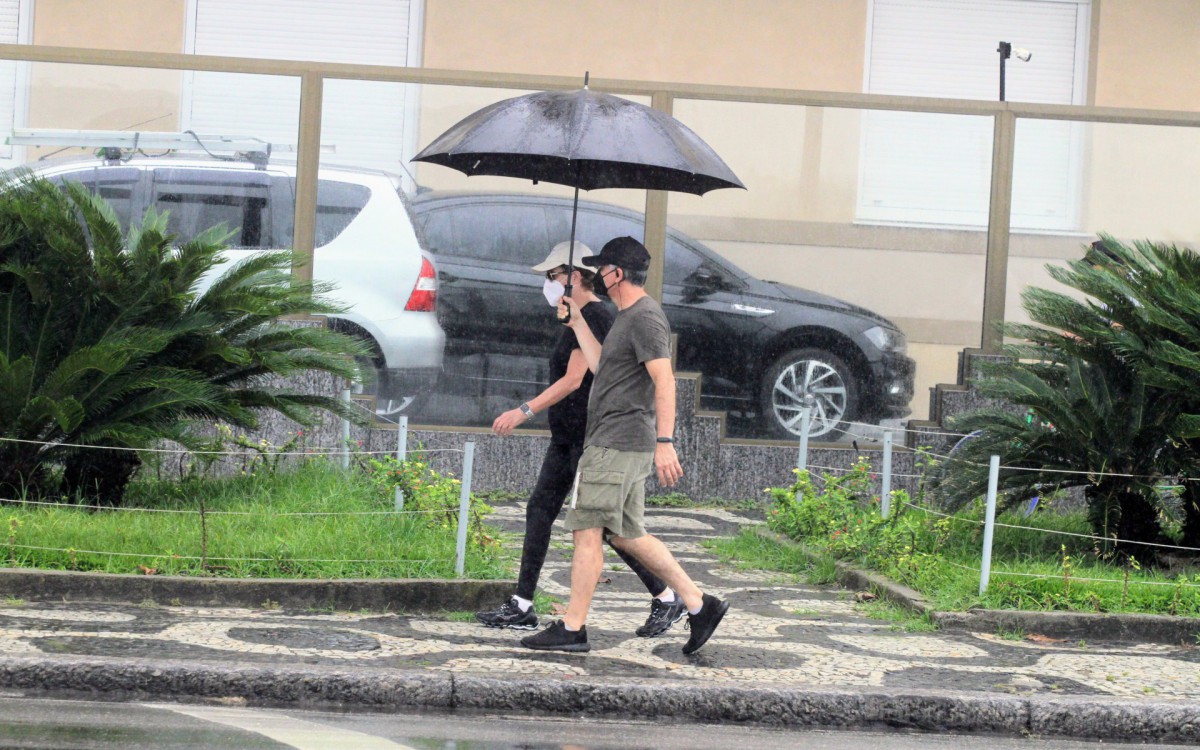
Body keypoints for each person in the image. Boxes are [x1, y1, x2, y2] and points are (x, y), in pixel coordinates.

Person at [521, 236, 729, 655]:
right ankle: (699, 604)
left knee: (586, 530)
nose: (598, 275)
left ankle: (573, 627)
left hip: (616, 443)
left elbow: (664, 379)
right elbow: (601, 366)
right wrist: (577, 321)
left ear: (617, 272)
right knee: (627, 535)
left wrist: (666, 441)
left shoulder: (645, 318)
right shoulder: (625, 317)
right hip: (619, 442)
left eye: (603, 269)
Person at [475, 240, 688, 639]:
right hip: (573, 435)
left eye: (554, 276)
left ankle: (665, 598)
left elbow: (580, 378)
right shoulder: (590, 316)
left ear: (575, 276)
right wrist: (573, 322)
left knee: (608, 528)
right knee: (555, 513)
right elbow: (597, 368)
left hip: (595, 436)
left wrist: (523, 411)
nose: (549, 283)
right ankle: (526, 603)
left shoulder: (614, 316)